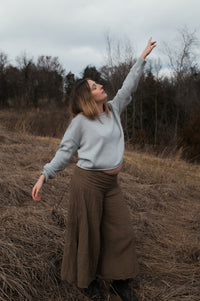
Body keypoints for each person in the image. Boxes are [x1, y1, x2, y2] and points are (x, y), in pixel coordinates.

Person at [32, 37, 156, 301]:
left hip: (111, 186)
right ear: (87, 96)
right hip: (87, 183)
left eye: (98, 83)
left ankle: (120, 281)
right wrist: (45, 175)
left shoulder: (113, 109)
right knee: (88, 236)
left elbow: (128, 86)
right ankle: (87, 284)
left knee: (121, 231)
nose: (101, 86)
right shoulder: (80, 123)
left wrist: (142, 58)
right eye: (94, 86)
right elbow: (65, 152)